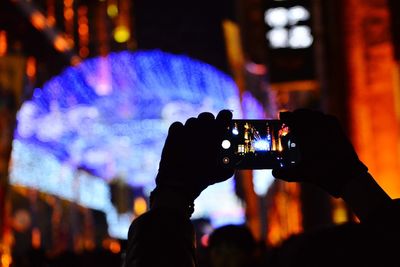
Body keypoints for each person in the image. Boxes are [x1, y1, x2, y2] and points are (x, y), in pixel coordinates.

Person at [124, 109, 400, 267]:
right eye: (222, 251)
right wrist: (353, 180)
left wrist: (171, 198)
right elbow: (390, 247)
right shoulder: (300, 256)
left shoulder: (296, 254)